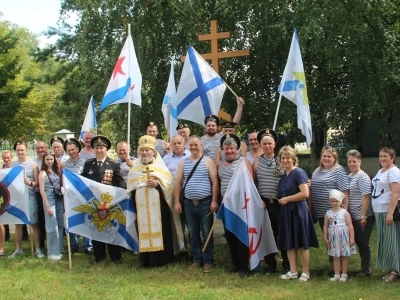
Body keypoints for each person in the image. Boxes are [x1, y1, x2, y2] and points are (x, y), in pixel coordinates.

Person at [127, 135, 184, 267]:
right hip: (141, 209)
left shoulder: (161, 168)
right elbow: (130, 188)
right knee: (143, 230)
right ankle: (146, 260)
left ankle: (163, 259)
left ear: (154, 152)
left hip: (159, 208)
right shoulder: (134, 170)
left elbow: (169, 187)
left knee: (163, 229)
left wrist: (158, 184)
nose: (145, 152)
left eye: (148, 150)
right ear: (140, 152)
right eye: (143, 150)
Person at [174, 135, 219, 273]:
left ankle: (208, 260)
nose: (193, 147)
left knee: (206, 233)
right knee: (193, 233)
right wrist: (177, 201)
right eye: (191, 145)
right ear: (188, 146)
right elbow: (178, 183)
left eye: (196, 145)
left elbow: (215, 181)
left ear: (201, 146)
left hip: (205, 203)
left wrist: (214, 200)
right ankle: (196, 259)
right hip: (188, 204)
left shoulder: (208, 161)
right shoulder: (183, 162)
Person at [81, 136, 126, 264]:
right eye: (97, 147)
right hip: (94, 202)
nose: (99, 150)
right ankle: (99, 257)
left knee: (111, 229)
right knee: (96, 229)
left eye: (101, 147)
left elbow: (119, 182)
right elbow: (82, 180)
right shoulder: (89, 164)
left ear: (106, 149)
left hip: (109, 202)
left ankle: (115, 257)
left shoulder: (113, 164)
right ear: (94, 149)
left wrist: (124, 191)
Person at [277, 146, 319, 282]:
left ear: (294, 159)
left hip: (298, 211)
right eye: (283, 158)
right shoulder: (284, 175)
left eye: (288, 158)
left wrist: (288, 199)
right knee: (289, 242)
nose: (285, 160)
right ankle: (293, 271)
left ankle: (306, 272)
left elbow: (305, 193)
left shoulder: (298, 173)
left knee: (301, 243)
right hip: (286, 212)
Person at [253, 129, 289, 274]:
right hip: (264, 204)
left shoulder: (282, 160)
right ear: (261, 145)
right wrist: (258, 199)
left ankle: (287, 263)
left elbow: (291, 176)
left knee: (283, 233)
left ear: (274, 144)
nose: (267, 146)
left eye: (270, 143)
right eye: (264, 143)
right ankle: (270, 264)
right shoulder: (256, 162)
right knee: (267, 234)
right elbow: (253, 183)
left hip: (280, 204)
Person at [9, 141, 44, 259]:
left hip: (30, 197)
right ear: (16, 151)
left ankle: (38, 249)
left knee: (34, 224)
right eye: (18, 150)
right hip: (18, 198)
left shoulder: (33, 164)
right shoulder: (13, 165)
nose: (20, 152)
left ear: (26, 150)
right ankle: (18, 249)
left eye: (22, 150)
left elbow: (37, 182)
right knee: (18, 225)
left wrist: (30, 183)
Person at [371, 147, 400, 282]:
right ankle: (389, 267)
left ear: (392, 158)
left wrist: (390, 213)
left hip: (387, 210)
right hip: (379, 210)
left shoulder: (393, 171)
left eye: (385, 156)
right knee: (384, 241)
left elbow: (395, 193)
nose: (382, 159)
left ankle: (395, 270)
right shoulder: (381, 170)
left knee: (391, 241)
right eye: (381, 156)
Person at [62, 138, 93, 255]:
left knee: (86, 219)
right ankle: (73, 244)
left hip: (82, 195)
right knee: (72, 219)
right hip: (70, 196)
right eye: (68, 150)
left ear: (77, 149)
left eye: (73, 149)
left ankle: (87, 245)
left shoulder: (85, 162)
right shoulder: (63, 165)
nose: (71, 152)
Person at [347, 149, 374, 277]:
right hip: (353, 215)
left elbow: (366, 197)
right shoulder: (350, 176)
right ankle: (363, 267)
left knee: (363, 243)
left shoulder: (362, 176)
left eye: (354, 161)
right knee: (358, 242)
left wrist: (363, 216)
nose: (352, 164)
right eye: (350, 161)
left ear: (360, 162)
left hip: (363, 215)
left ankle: (366, 269)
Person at [309, 146, 349, 230]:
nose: (326, 158)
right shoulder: (316, 171)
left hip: (334, 213)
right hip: (320, 213)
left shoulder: (339, 171)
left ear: (334, 158)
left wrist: (344, 211)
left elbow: (345, 192)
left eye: (329, 156)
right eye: (324, 156)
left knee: (336, 239)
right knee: (327, 239)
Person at [323, 189, 356, 282]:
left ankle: (344, 274)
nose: (334, 203)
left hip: (344, 237)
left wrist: (352, 237)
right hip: (334, 238)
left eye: (336, 201)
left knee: (344, 256)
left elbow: (350, 226)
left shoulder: (344, 212)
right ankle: (337, 273)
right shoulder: (328, 213)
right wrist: (325, 237)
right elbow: (325, 227)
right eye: (332, 201)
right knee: (335, 256)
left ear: (340, 201)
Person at [201, 97, 244, 161]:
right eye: (209, 125)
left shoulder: (222, 136)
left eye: (213, 125)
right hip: (207, 168)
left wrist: (240, 107)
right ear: (205, 127)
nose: (211, 127)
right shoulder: (200, 140)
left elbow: (234, 124)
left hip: (222, 167)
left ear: (217, 127)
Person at [38, 152, 64, 260]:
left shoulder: (57, 171)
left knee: (59, 223)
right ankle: (52, 253)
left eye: (51, 159)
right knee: (51, 225)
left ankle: (59, 249)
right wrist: (48, 206)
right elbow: (41, 190)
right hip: (49, 198)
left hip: (59, 198)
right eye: (47, 159)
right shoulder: (43, 173)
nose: (50, 161)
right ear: (44, 161)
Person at [34, 141, 48, 250]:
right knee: (41, 219)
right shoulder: (34, 163)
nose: (40, 150)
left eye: (42, 148)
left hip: (51, 194)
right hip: (38, 193)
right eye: (38, 148)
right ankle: (42, 242)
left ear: (46, 148)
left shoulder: (51, 160)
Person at [2, 150, 13, 244]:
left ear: (11, 158)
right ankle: (6, 236)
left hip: (16, 194)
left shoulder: (16, 168)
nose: (6, 159)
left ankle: (24, 236)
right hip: (5, 194)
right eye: (4, 158)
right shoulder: (1, 169)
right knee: (4, 213)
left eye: (8, 157)